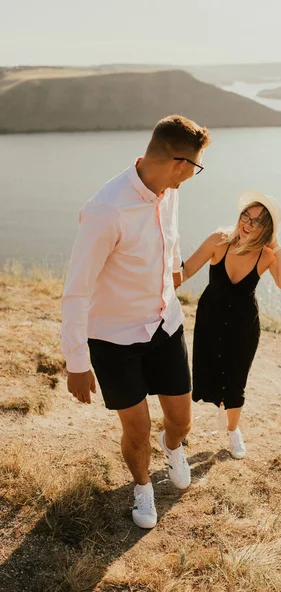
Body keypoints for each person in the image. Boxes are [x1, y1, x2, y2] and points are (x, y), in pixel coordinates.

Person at [61, 115, 211, 529]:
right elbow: (77, 289)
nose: (193, 175)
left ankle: (173, 446)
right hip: (115, 339)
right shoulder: (106, 210)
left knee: (180, 420)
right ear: (180, 163)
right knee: (137, 429)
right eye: (195, 167)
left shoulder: (169, 191)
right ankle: (142, 486)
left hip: (166, 325)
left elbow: (170, 252)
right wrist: (77, 361)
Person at [182, 190, 281, 459]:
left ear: (267, 229)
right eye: (245, 216)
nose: (247, 223)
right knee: (203, 373)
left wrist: (277, 247)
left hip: (243, 327)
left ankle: (233, 431)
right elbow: (186, 271)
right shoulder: (218, 240)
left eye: (256, 221)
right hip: (210, 321)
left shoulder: (266, 254)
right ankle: (181, 430)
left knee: (236, 381)